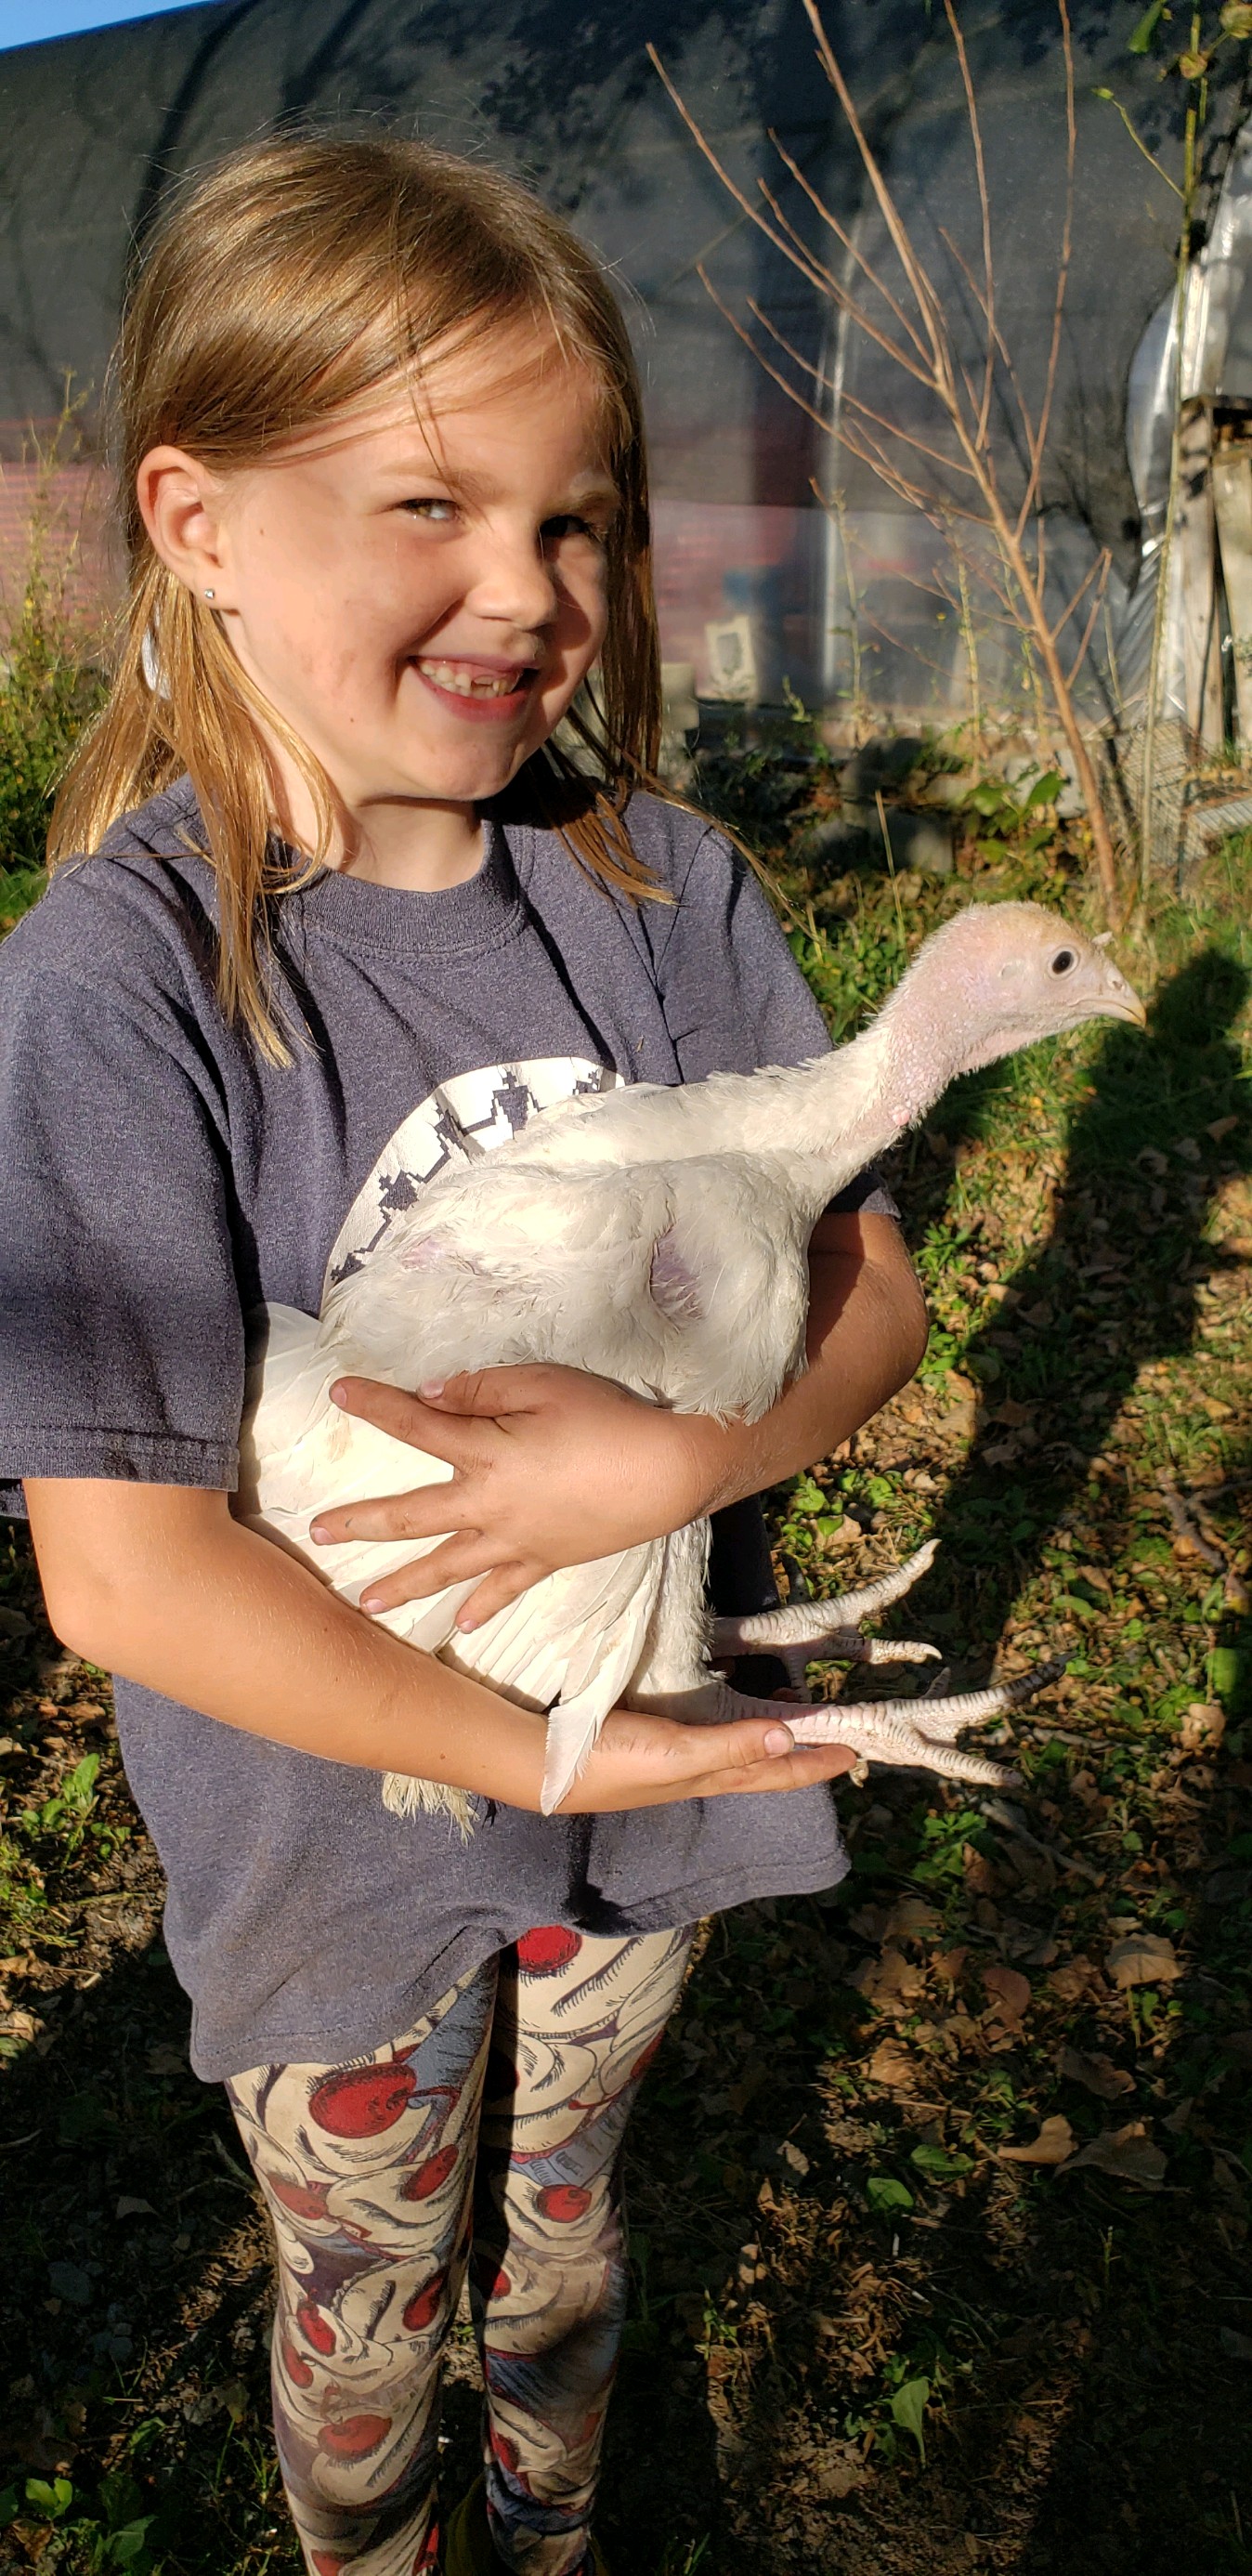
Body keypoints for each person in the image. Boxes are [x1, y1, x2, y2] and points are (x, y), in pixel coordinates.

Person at [0, 137, 927, 2576]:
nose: (522, 593)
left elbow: (874, 1291)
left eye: (576, 521)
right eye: (429, 502)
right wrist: (544, 1735)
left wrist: (653, 1477)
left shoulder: (668, 895)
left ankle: (551, 2530)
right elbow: (123, 1573)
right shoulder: (119, 995)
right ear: (200, 523)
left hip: (649, 1782)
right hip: (333, 1852)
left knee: (570, 2243)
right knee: (365, 2281)